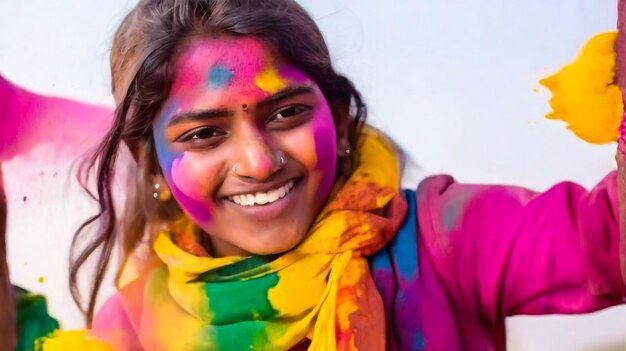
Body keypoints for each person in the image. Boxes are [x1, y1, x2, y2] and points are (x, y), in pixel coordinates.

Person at [43, 0, 626, 350]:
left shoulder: (441, 240)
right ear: (154, 168)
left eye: (287, 113)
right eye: (204, 134)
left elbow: (610, 238)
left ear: (340, 120)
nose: (259, 162)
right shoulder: (133, 331)